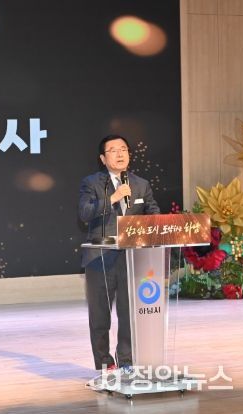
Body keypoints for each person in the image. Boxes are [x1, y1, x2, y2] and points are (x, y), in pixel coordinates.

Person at [78, 135, 160, 372]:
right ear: (103, 159)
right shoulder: (92, 183)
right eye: (113, 150)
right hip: (100, 257)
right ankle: (105, 362)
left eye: (123, 149)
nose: (120, 154)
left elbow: (153, 214)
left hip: (132, 257)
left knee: (129, 313)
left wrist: (159, 225)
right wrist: (112, 198)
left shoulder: (141, 184)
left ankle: (126, 361)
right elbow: (84, 213)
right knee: (100, 315)